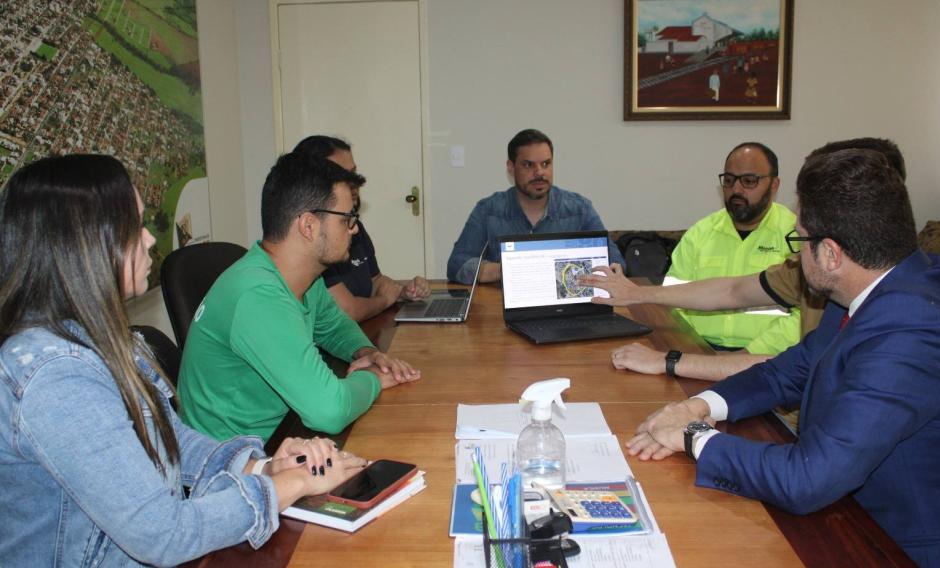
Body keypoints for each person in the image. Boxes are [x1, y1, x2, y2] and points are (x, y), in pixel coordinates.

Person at [0, 154, 368, 568]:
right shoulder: (54, 375)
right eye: (134, 225)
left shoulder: (107, 338)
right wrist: (283, 489)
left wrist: (264, 466)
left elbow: (178, 441)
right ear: (84, 244)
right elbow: (160, 532)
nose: (151, 238)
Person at [625, 149, 940, 568]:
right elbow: (789, 371)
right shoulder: (870, 289)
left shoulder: (914, 328)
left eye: (802, 240)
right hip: (851, 518)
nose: (797, 252)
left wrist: (693, 439)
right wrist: (699, 404)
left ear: (831, 254)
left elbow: (808, 479)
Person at [582, 137, 906, 383]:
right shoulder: (806, 271)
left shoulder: (906, 326)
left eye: (802, 238)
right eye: (730, 180)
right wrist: (640, 298)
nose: (737, 189)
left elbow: (822, 448)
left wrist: (703, 436)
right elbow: (733, 291)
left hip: (763, 365)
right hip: (718, 360)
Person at [178, 153, 420, 443]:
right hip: (237, 466)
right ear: (308, 226)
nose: (354, 228)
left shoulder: (302, 277)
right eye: (347, 219)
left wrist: (367, 354)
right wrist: (373, 380)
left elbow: (333, 326)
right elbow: (328, 411)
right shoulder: (258, 296)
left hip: (284, 436)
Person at [661, 142, 799, 356]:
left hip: (771, 359)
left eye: (749, 181)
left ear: (774, 185)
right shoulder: (700, 233)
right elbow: (671, 303)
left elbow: (805, 317)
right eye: (729, 180)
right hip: (699, 353)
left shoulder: (795, 234)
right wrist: (696, 353)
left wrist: (746, 355)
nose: (736, 189)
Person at [446, 128, 625, 283]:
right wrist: (507, 270)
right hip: (504, 308)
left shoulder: (579, 209)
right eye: (528, 165)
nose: (539, 172)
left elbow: (617, 264)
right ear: (511, 167)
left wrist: (559, 270)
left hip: (565, 308)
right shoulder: (488, 210)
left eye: (546, 164)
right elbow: (456, 264)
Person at [292, 135, 431, 321]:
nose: (355, 183)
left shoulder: (352, 226)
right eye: (344, 175)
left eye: (354, 174)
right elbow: (347, 311)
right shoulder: (316, 240)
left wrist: (402, 292)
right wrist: (385, 299)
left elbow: (375, 280)